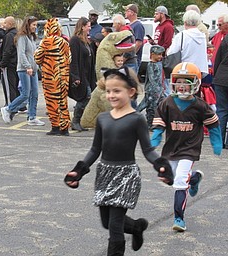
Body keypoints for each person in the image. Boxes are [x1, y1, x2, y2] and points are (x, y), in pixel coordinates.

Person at [64, 66, 173, 255]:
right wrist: (79, 171)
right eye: (108, 91)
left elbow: (147, 150)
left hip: (126, 175)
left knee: (114, 226)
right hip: (104, 174)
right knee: (107, 222)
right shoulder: (103, 118)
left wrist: (161, 165)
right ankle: (137, 227)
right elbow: (95, 149)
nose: (111, 95)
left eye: (117, 91)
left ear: (131, 92)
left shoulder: (136, 119)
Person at [151, 62, 222, 232]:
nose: (182, 86)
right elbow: (159, 120)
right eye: (179, 82)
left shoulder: (199, 105)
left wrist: (216, 142)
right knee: (171, 179)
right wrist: (156, 136)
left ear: (195, 83)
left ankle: (179, 218)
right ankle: (195, 178)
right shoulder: (167, 102)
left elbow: (213, 124)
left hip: (189, 149)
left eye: (186, 82)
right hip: (171, 148)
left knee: (180, 181)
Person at [0, 16, 45, 126]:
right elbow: (21, 54)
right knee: (25, 94)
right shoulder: (22, 37)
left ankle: (32, 117)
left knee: (34, 93)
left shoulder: (32, 37)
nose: (35, 27)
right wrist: (28, 66)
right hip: (24, 69)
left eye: (36, 25)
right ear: (28, 25)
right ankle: (8, 109)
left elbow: (33, 53)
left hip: (33, 69)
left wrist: (36, 66)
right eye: (33, 25)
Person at [34, 18, 71, 136]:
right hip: (63, 76)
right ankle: (65, 128)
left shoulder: (46, 42)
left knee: (52, 101)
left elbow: (37, 58)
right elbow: (69, 59)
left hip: (51, 76)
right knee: (62, 101)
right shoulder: (64, 42)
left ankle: (55, 126)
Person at [68, 17, 96, 132]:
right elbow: (73, 59)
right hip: (80, 74)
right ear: (82, 26)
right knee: (85, 96)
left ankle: (78, 121)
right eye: (88, 26)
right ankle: (75, 121)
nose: (90, 28)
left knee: (88, 96)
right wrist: (75, 76)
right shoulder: (75, 40)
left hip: (87, 74)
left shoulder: (86, 41)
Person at [167, 10, 208, 76]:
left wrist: (167, 51)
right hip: (200, 70)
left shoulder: (182, 35)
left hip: (185, 69)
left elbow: (171, 52)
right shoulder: (202, 36)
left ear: (185, 22)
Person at [137, 45, 165, 130]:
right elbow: (152, 78)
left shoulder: (159, 63)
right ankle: (150, 124)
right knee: (151, 108)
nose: (160, 56)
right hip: (152, 91)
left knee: (157, 106)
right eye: (158, 54)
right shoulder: (151, 65)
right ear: (152, 54)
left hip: (159, 90)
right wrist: (156, 90)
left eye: (161, 54)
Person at [0, 16, 21, 110]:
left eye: (5, 23)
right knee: (15, 85)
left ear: (10, 24)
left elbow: (7, 51)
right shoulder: (17, 34)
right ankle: (17, 105)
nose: (4, 25)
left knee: (9, 86)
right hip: (16, 63)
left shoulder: (9, 35)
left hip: (9, 65)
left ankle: (10, 106)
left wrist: (2, 64)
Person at [213, 21, 228, 148]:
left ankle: (219, 141)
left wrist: (216, 76)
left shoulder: (225, 40)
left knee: (221, 111)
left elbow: (217, 59)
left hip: (221, 78)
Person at [123, 4, 145, 68]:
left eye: (127, 11)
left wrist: (129, 57)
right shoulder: (128, 25)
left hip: (132, 62)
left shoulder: (138, 25)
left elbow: (138, 43)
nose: (125, 12)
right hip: (127, 60)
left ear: (132, 13)